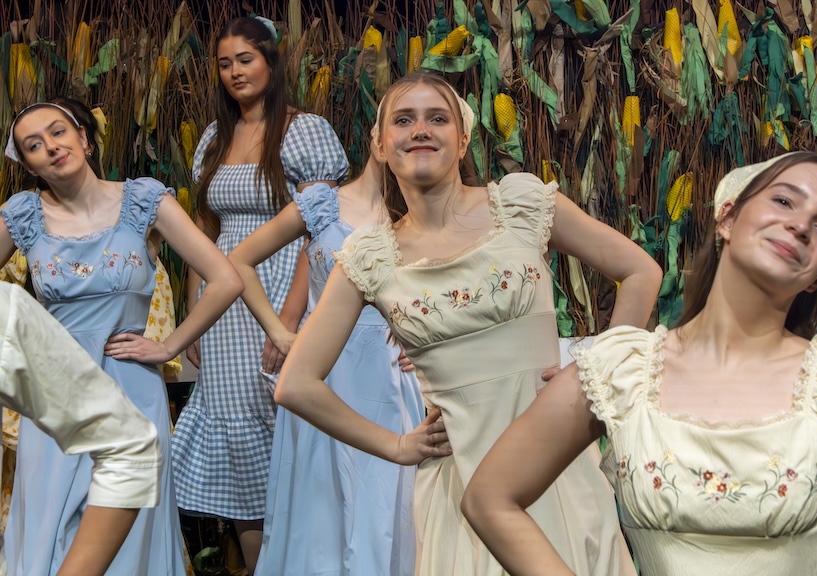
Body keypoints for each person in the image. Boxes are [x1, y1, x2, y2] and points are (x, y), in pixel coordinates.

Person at [460, 152, 817, 575]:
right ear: (727, 217)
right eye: (784, 201)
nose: (801, 224)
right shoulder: (619, 369)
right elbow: (489, 498)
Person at [274, 72, 662, 575]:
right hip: (460, 487)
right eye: (403, 120)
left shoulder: (522, 207)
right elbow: (296, 385)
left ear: (462, 141)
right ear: (380, 145)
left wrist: (596, 377)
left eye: (437, 118)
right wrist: (397, 445)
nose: (420, 129)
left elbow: (641, 272)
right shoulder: (370, 258)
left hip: (557, 472)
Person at [0, 100, 242, 575]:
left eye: (58, 132)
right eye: (34, 144)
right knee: (53, 531)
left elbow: (226, 279)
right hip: (55, 397)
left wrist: (169, 346)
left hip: (131, 391)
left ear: (84, 139)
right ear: (28, 165)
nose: (51, 146)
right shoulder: (22, 214)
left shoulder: (145, 201)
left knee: (130, 537)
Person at [168, 16, 349, 571]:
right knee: (238, 442)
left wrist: (288, 321)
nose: (234, 72)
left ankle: (304, 560)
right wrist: (196, 311)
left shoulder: (304, 130)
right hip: (224, 304)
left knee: (286, 426)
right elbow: (204, 231)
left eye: (245, 59)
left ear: (271, 61)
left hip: (284, 289)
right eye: (224, 64)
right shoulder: (213, 137)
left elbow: (322, 227)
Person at [229, 148, 422, 575]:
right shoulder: (320, 203)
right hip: (321, 379)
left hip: (391, 380)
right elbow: (239, 261)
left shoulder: (422, 213)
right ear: (377, 135)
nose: (411, 134)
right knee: (320, 514)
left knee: (382, 507)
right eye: (399, 121)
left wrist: (427, 341)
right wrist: (280, 332)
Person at [0, 282, 161, 576]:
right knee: (43, 530)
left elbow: (130, 448)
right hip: (47, 418)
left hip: (115, 377)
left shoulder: (7, 316)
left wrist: (169, 347)